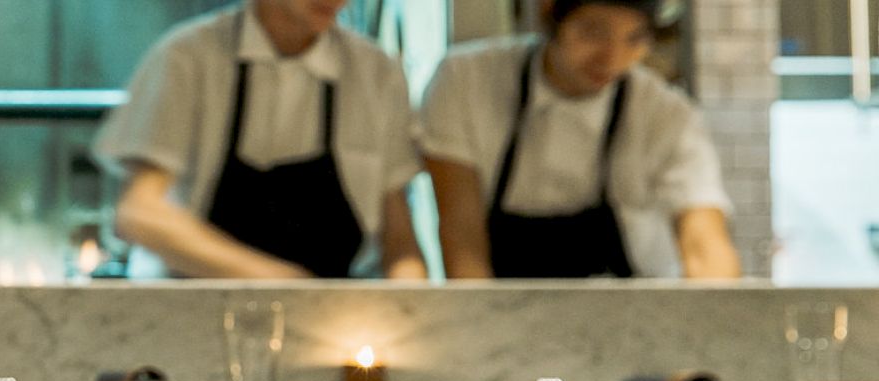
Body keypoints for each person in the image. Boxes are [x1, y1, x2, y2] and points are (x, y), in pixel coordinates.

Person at [97, 0, 425, 280]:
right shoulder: (187, 57)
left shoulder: (376, 74)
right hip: (192, 318)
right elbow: (140, 214)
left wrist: (409, 313)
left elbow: (399, 242)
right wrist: (283, 285)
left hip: (330, 329)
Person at [421, 0, 741, 279]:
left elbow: (704, 243)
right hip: (502, 315)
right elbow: (461, 236)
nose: (612, 57)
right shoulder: (466, 81)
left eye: (634, 38)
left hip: (635, 322)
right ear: (549, 10)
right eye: (594, 32)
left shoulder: (666, 113)